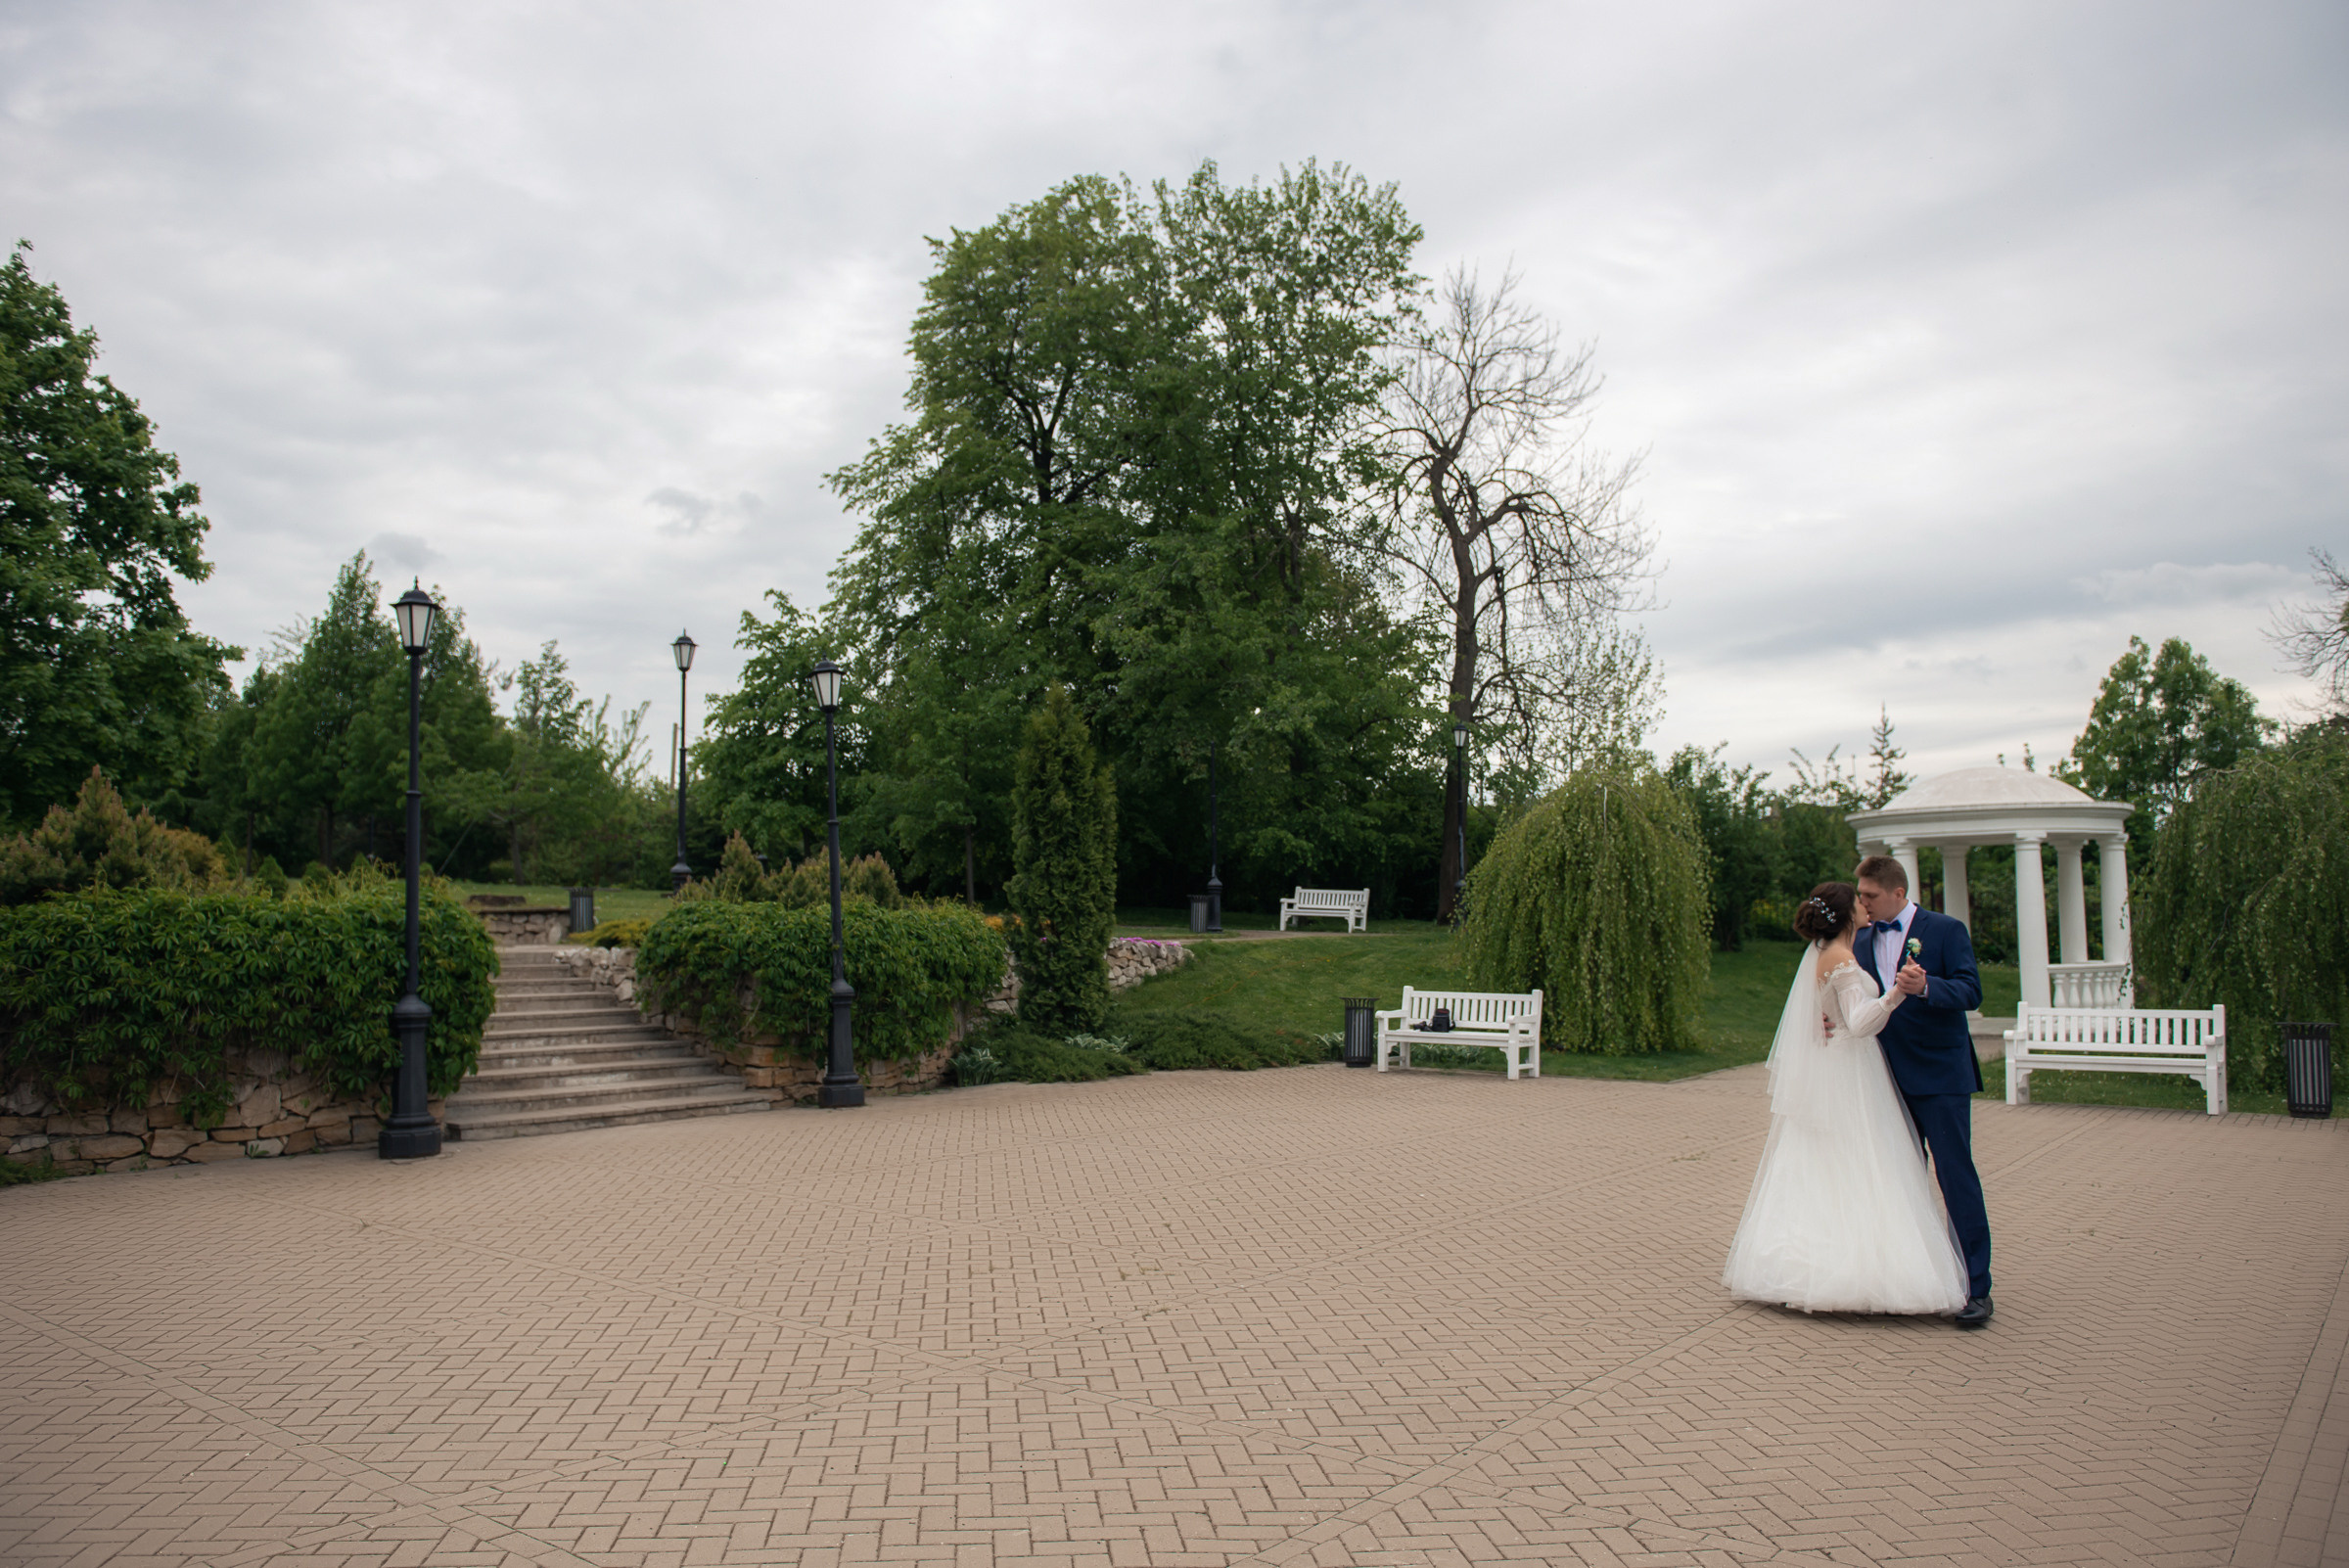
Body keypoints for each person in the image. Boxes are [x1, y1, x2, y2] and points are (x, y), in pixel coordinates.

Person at [1722, 881, 1969, 1317]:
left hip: (1841, 1067)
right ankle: (1860, 1272)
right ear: (1846, 912)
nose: (1865, 905)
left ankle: (1801, 1265)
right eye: (1859, 900)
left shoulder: (1827, 952)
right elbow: (1858, 1023)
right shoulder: (1840, 957)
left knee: (1827, 1165)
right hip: (1852, 1070)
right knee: (1863, 1164)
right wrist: (1897, 993)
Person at [1853, 854, 1994, 1327]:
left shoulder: (1946, 930)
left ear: (1897, 892)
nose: (1863, 903)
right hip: (1887, 1078)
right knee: (1901, 1182)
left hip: (1941, 1078)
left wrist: (1928, 986)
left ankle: (1977, 1288)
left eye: (1869, 896)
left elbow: (1971, 991)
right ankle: (1913, 1282)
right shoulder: (1862, 938)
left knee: (1955, 1179)